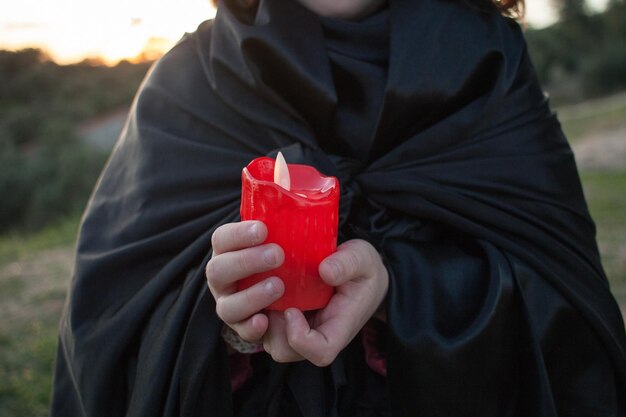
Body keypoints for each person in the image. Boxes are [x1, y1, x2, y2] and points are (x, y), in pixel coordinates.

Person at [51, 0, 626, 416]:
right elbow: (110, 320)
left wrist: (399, 291)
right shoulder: (189, 80)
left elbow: (568, 303)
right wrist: (229, 322)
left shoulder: (490, 58)